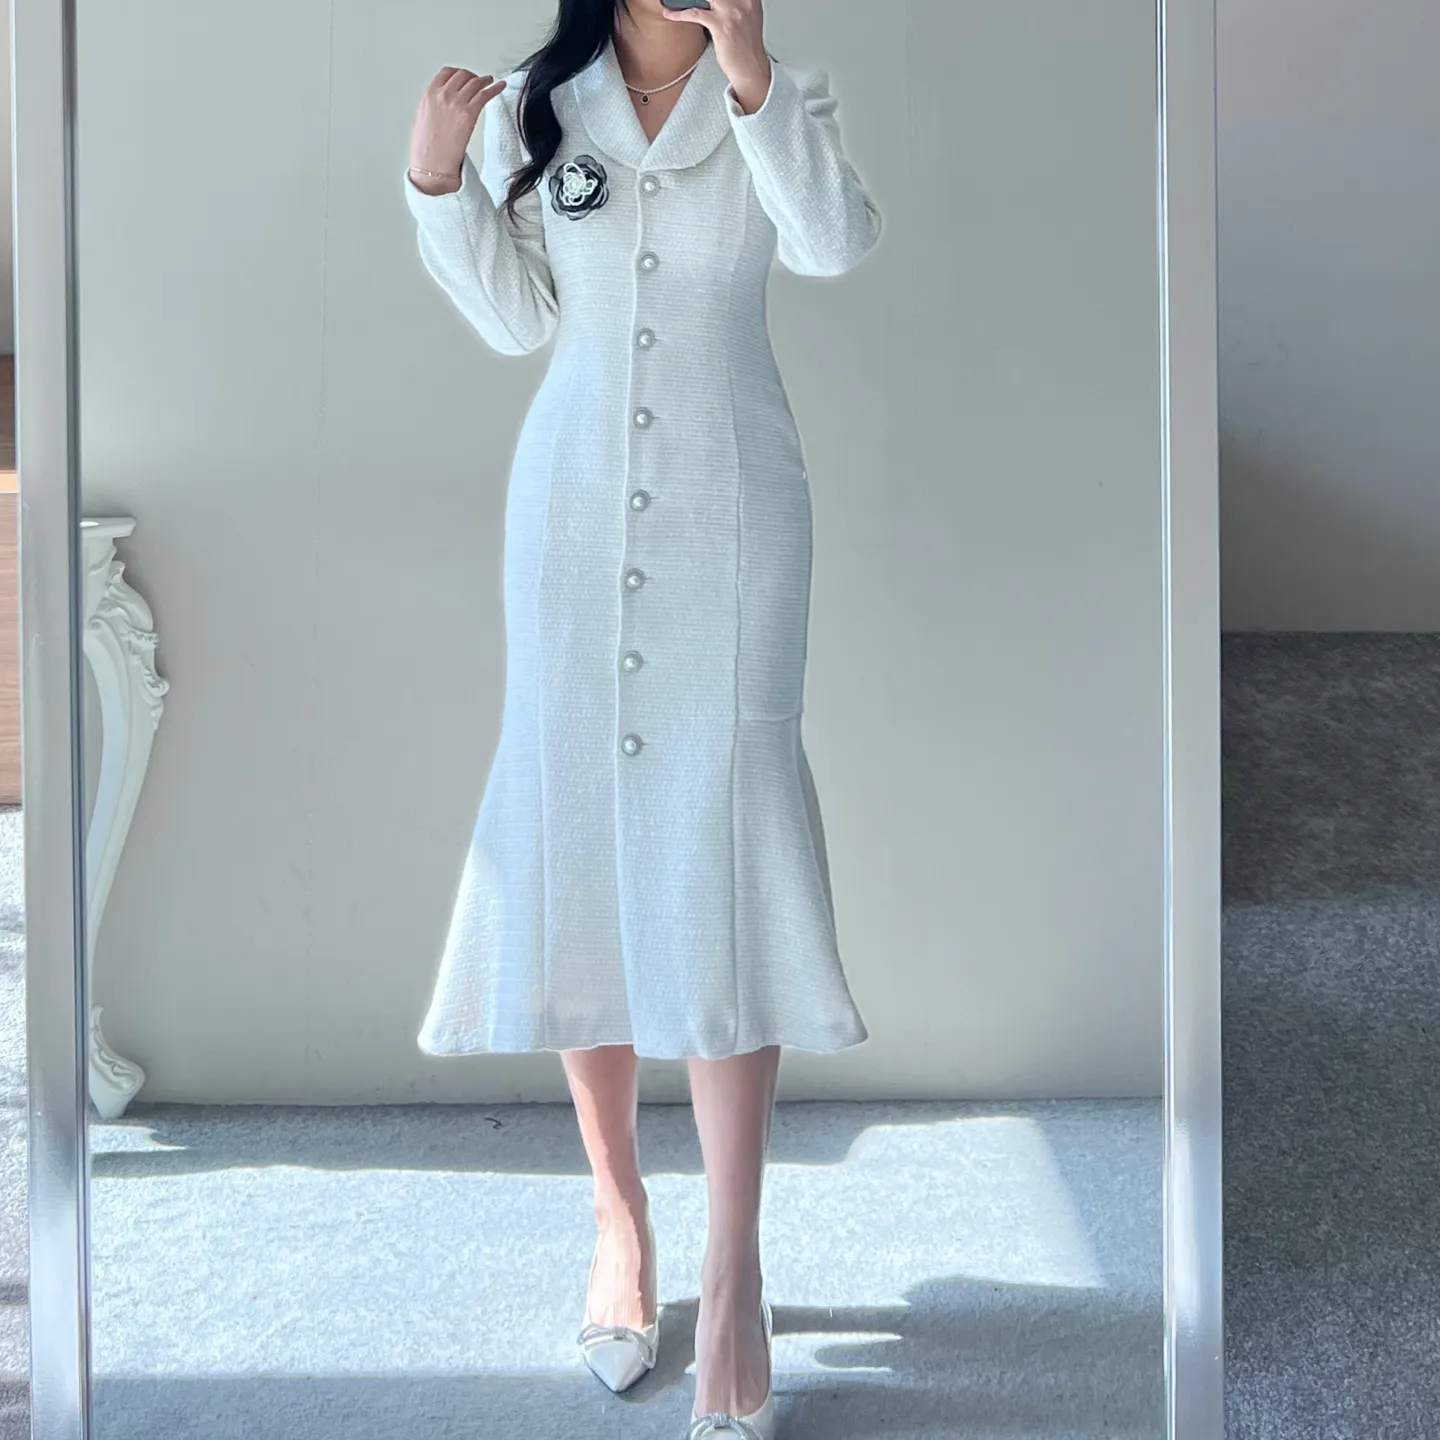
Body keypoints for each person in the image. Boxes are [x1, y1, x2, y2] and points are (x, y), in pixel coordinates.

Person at [404, 1, 880, 1434]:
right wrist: (434, 178)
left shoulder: (778, 92)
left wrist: (751, 74)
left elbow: (834, 243)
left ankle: (736, 1270)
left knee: (723, 840)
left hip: (737, 507)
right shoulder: (535, 107)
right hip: (565, 508)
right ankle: (619, 1217)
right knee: (583, 828)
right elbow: (514, 319)